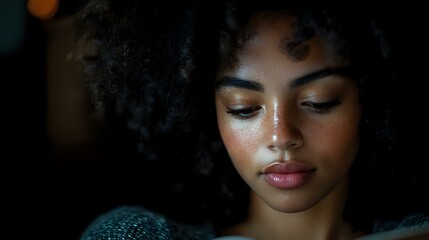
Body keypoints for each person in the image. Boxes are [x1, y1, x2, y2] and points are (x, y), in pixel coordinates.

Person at [74, 0, 429, 239]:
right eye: (243, 108)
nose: (281, 135)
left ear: (372, 95)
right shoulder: (137, 234)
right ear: (206, 109)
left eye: (320, 102)